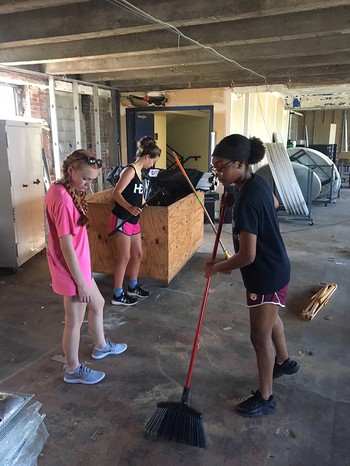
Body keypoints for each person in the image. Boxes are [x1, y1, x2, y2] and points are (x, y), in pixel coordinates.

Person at [205, 134, 299, 417]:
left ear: (240, 163)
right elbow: (274, 205)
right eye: (215, 168)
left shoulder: (247, 199)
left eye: (222, 167)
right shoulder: (255, 183)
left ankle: (266, 396)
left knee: (259, 338)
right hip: (276, 267)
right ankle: (283, 362)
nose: (218, 173)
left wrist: (216, 268)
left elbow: (247, 256)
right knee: (272, 319)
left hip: (265, 274)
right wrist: (232, 198)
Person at [45, 149, 127, 385]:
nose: (89, 185)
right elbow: (66, 245)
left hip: (80, 267)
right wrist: (80, 281)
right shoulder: (60, 197)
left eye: (92, 180)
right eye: (85, 179)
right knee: (73, 321)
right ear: (71, 170)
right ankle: (72, 368)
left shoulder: (66, 191)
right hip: (72, 272)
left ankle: (100, 346)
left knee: (98, 303)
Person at [109, 138, 161, 306]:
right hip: (122, 218)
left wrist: (142, 201)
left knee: (137, 254)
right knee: (124, 257)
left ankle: (132, 286)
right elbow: (116, 193)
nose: (152, 165)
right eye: (153, 161)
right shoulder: (129, 171)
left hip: (133, 220)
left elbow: (137, 193)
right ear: (146, 157)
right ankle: (117, 294)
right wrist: (130, 207)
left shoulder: (140, 173)